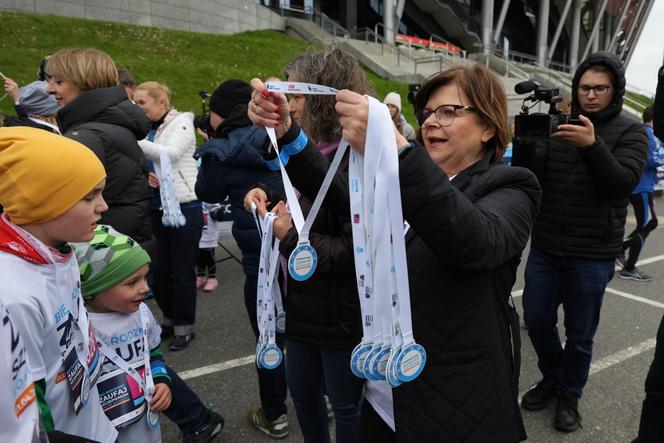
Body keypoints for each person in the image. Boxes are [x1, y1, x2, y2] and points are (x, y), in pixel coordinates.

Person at [248, 62, 540, 442]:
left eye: (449, 111)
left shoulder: (512, 186)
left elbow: (472, 240)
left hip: (454, 403)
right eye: (428, 112)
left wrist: (399, 152)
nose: (432, 122)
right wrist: (287, 133)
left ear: (488, 127)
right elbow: (338, 195)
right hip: (383, 395)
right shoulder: (399, 178)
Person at [512, 51, 647, 433]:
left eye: (600, 88)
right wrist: (526, 142)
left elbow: (621, 185)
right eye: (585, 87)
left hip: (593, 252)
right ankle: (554, 376)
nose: (590, 95)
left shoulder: (631, 131)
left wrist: (591, 146)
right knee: (536, 319)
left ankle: (569, 393)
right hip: (547, 245)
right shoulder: (558, 125)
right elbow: (530, 178)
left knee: (581, 334)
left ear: (615, 90)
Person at [245, 48, 372, 443]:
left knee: (347, 404)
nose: (289, 105)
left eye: (295, 94)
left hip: (339, 314)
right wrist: (265, 194)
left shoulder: (359, 160)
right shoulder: (306, 152)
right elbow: (304, 200)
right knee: (302, 396)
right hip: (298, 307)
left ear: (323, 96)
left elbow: (353, 253)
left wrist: (287, 236)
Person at [0, 127, 117, 442]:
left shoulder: (58, 249)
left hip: (93, 421)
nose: (103, 206)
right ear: (42, 203)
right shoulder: (13, 296)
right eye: (89, 196)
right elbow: (27, 414)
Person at [194, 79, 288, 439]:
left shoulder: (223, 149)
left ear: (220, 113)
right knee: (304, 330)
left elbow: (207, 190)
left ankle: (275, 414)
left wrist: (212, 146)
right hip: (296, 247)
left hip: (259, 260)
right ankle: (321, 396)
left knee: (268, 336)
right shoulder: (281, 133)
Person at [46, 47, 154, 253]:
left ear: (85, 83)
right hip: (120, 245)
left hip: (102, 253)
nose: (49, 89)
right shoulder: (105, 125)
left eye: (58, 82)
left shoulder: (88, 135)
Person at [73, 224, 172, 442]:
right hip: (100, 427)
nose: (145, 287)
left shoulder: (142, 313)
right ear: (93, 289)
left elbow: (153, 352)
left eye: (145, 278)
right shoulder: (80, 326)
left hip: (144, 420)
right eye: (132, 282)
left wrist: (161, 381)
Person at [133, 81, 201, 351]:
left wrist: (130, 138)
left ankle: (185, 325)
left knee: (182, 270)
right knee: (159, 271)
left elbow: (169, 154)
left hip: (185, 206)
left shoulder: (182, 122)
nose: (137, 109)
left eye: (142, 104)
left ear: (161, 102)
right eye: (134, 103)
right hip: (155, 205)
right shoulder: (146, 129)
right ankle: (169, 319)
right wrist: (144, 175)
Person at [632, 64, 664, 443]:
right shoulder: (645, 132)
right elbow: (651, 160)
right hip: (639, 189)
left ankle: (625, 260)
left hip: (643, 189)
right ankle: (627, 263)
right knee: (644, 226)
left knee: (647, 226)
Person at [618, 105, 661, 281]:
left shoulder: (645, 132)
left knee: (650, 223)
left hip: (641, 185)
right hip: (641, 186)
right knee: (647, 224)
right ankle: (629, 267)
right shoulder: (648, 133)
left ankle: (619, 249)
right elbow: (651, 159)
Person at [197, 202, 223, 292]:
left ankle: (212, 278)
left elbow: (216, 210)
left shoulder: (208, 195)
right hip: (197, 230)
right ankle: (200, 275)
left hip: (208, 231)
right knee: (199, 255)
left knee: (209, 255)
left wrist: (217, 213)